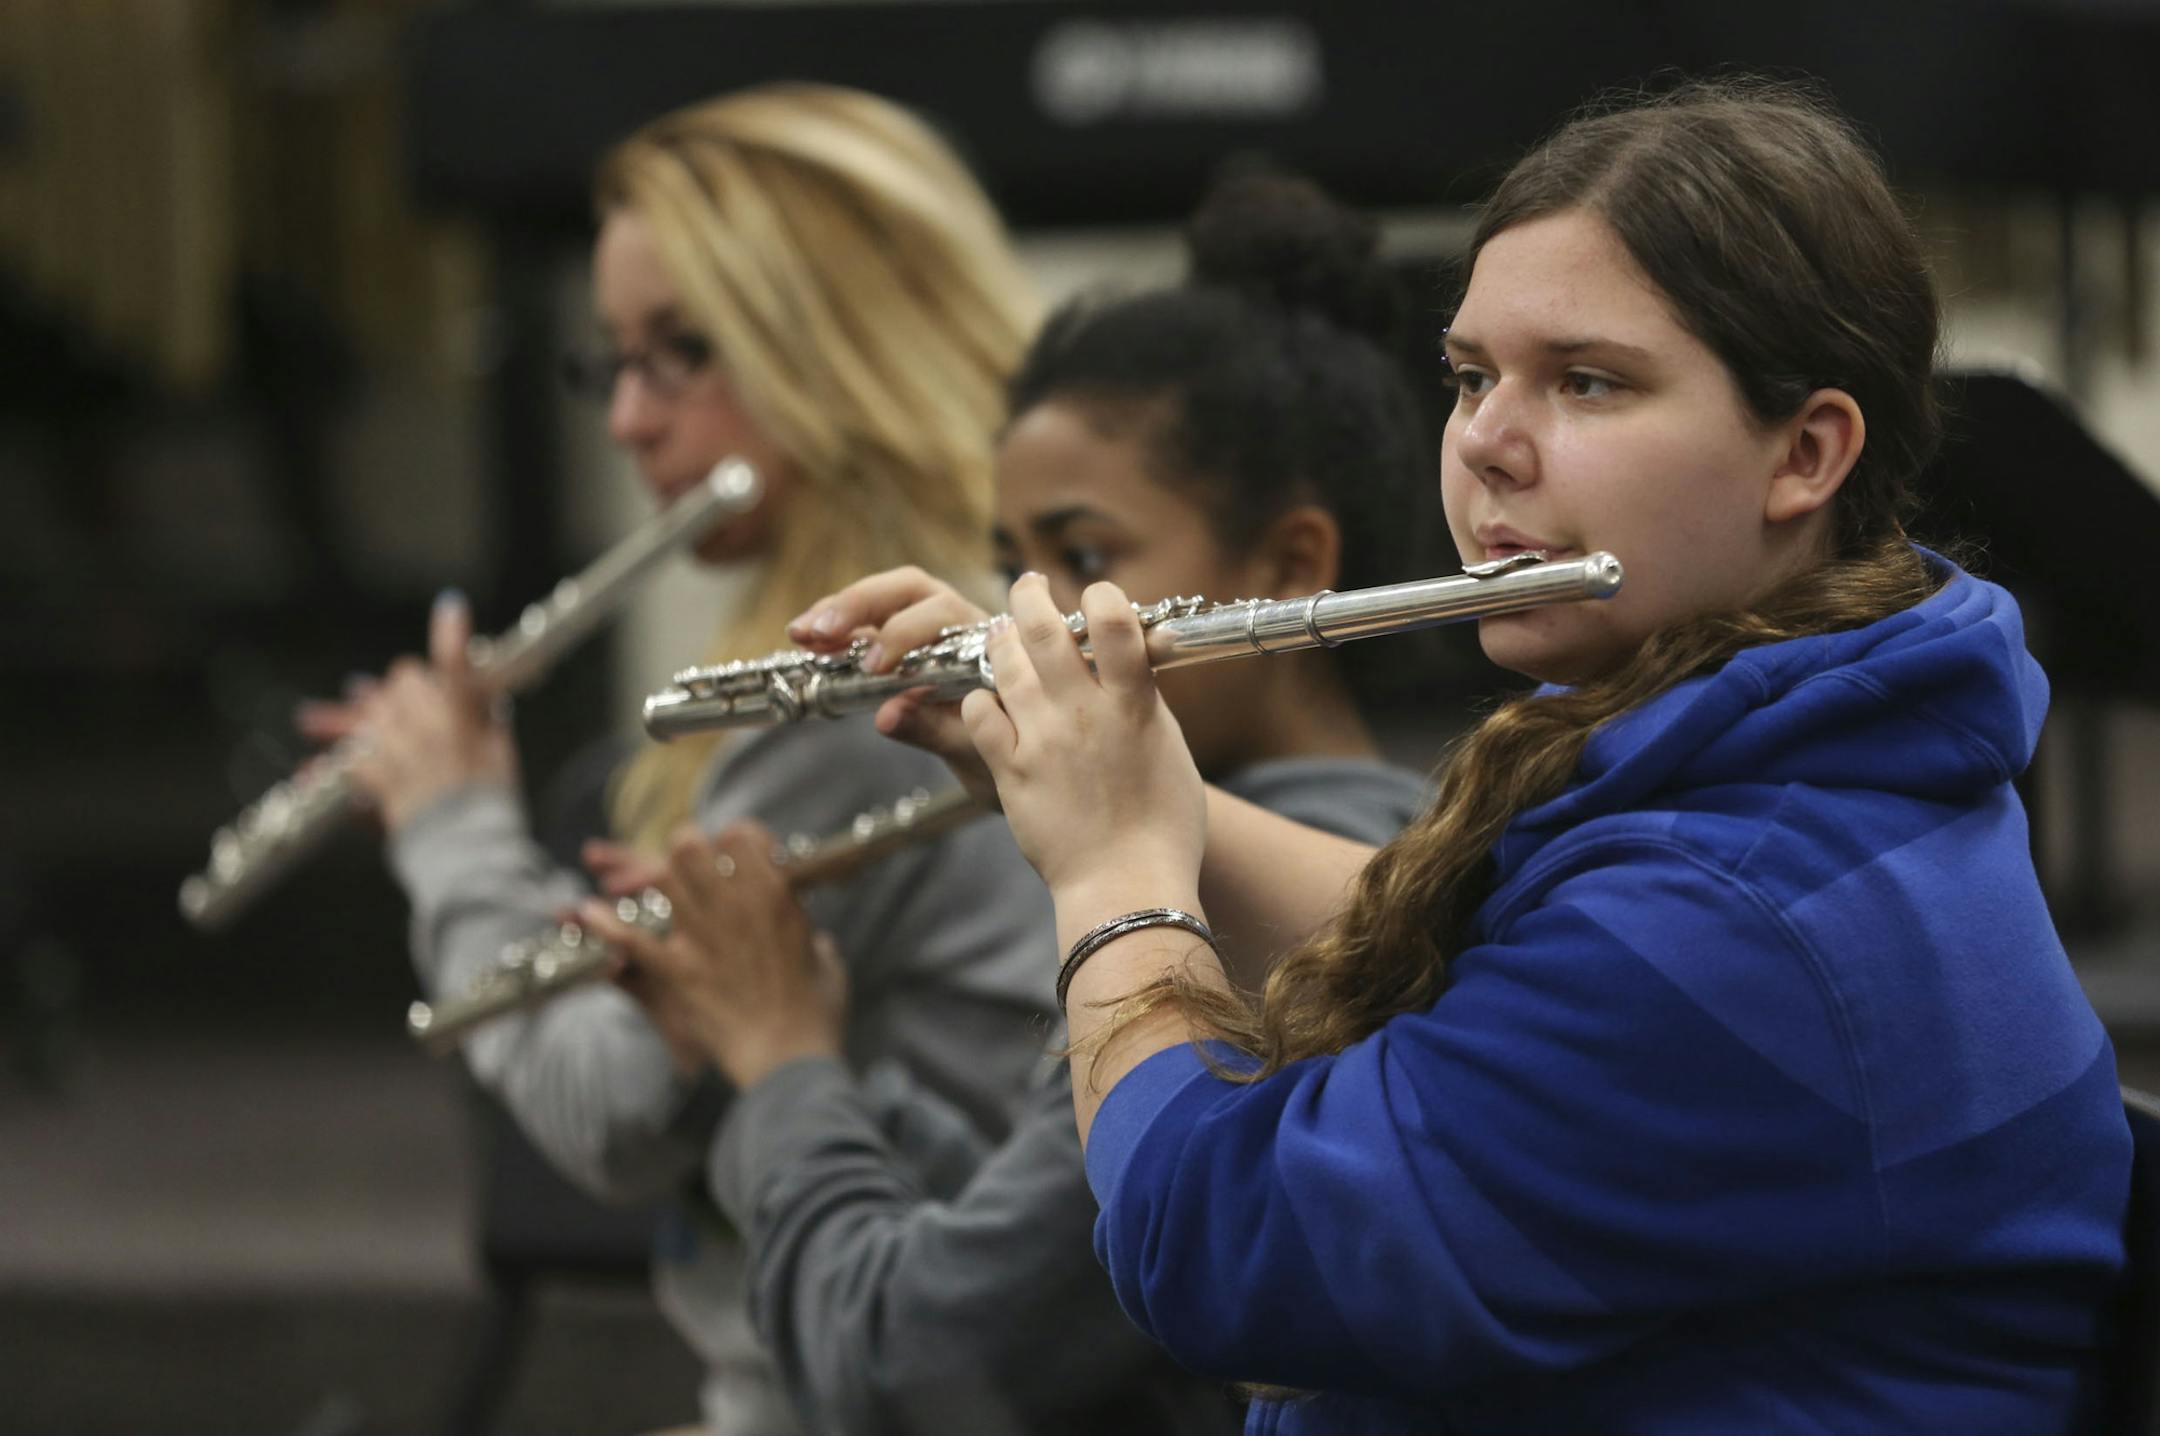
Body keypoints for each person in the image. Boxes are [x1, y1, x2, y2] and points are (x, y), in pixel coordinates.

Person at [804, 80, 2135, 1433]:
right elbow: (1480, 944)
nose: (1487, 447)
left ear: (1805, 453)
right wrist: (1092, 764)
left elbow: (1219, 1249)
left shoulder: (1742, 909)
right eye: (1470, 377)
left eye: (1588, 383)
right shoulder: (1795, 771)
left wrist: (1117, 872)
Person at [581, 169, 1443, 1435]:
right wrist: (786, 1048)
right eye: (1012, 555)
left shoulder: (1209, 901)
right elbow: (1006, 1249)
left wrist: (780, 1059)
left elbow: (910, 1366)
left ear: (1288, 569)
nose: (1023, 612)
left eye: (1084, 557)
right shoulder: (1159, 847)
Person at [304, 84, 1058, 1435]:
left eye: (681, 354)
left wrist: (452, 822)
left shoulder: (858, 679)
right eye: (615, 361)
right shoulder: (926, 596)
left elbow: (609, 1115)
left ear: (831, 342)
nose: (630, 420)